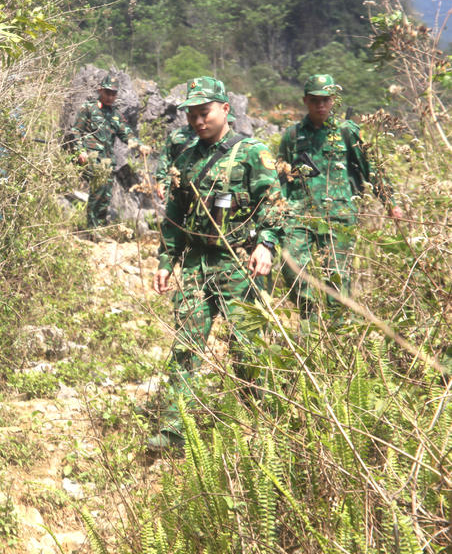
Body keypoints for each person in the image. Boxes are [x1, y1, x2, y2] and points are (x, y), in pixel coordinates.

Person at [150, 77, 287, 451]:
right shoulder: (185, 158)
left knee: (247, 347)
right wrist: (167, 260)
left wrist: (266, 245)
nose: (198, 121)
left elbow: (274, 203)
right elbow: (176, 214)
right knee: (186, 344)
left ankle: (263, 426)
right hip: (196, 262)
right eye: (192, 114)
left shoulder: (252, 152)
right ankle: (174, 430)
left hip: (238, 263)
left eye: (204, 112)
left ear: (225, 109)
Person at [277, 74, 402, 318]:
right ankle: (311, 322)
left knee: (337, 279)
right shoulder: (292, 135)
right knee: (291, 267)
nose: (320, 106)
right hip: (300, 215)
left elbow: (371, 168)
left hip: (339, 215)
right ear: (305, 101)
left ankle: (338, 332)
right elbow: (282, 177)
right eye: (315, 100)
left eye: (326, 100)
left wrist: (390, 204)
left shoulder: (346, 131)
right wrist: (278, 210)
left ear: (333, 100)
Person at [70, 74, 152, 229]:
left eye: (114, 94)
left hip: (107, 161)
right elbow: (76, 131)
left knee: (106, 195)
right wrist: (81, 151)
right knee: (98, 192)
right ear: (100, 90)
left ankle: (100, 227)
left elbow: (126, 134)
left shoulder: (115, 115)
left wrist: (139, 146)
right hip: (92, 158)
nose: (110, 97)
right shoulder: (88, 108)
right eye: (108, 92)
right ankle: (92, 229)